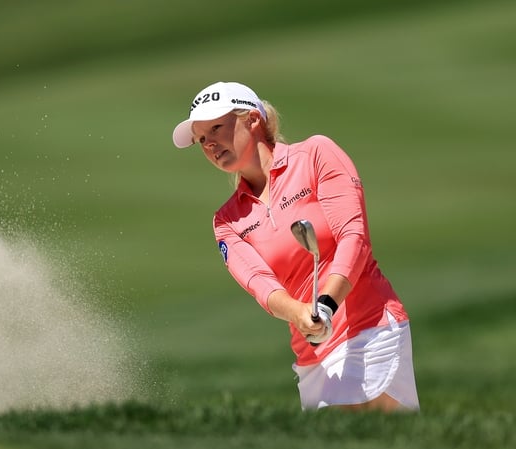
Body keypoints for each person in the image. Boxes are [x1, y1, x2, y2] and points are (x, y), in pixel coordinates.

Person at [171, 81, 419, 412]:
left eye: (217, 127)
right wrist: (300, 313)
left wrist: (327, 303)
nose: (210, 144)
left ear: (253, 120)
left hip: (370, 329)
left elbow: (354, 237)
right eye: (202, 139)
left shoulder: (315, 155)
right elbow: (261, 285)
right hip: (312, 354)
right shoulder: (226, 221)